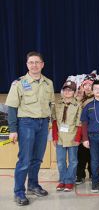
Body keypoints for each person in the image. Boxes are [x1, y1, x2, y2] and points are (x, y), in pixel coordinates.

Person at [5, 51, 55, 206]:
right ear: (27, 65)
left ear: (42, 64)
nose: (34, 65)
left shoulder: (48, 83)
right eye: (31, 62)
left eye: (37, 62)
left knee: (37, 159)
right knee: (25, 160)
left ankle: (33, 185)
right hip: (26, 123)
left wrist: (51, 123)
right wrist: (13, 129)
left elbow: (51, 105)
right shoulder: (19, 83)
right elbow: (12, 108)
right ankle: (19, 192)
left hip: (42, 124)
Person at [52, 81, 82, 192]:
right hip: (60, 137)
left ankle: (69, 181)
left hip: (72, 136)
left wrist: (78, 138)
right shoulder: (57, 104)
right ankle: (62, 180)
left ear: (74, 92)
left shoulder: (78, 104)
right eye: (65, 90)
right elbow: (55, 121)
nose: (67, 92)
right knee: (60, 161)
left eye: (70, 90)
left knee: (73, 160)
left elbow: (80, 123)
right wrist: (54, 137)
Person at [75, 78, 94, 184]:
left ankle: (92, 173)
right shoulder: (78, 98)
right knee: (80, 155)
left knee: (92, 154)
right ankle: (80, 175)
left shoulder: (95, 99)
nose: (87, 87)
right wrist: (79, 98)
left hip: (90, 129)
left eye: (90, 85)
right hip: (79, 129)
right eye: (85, 85)